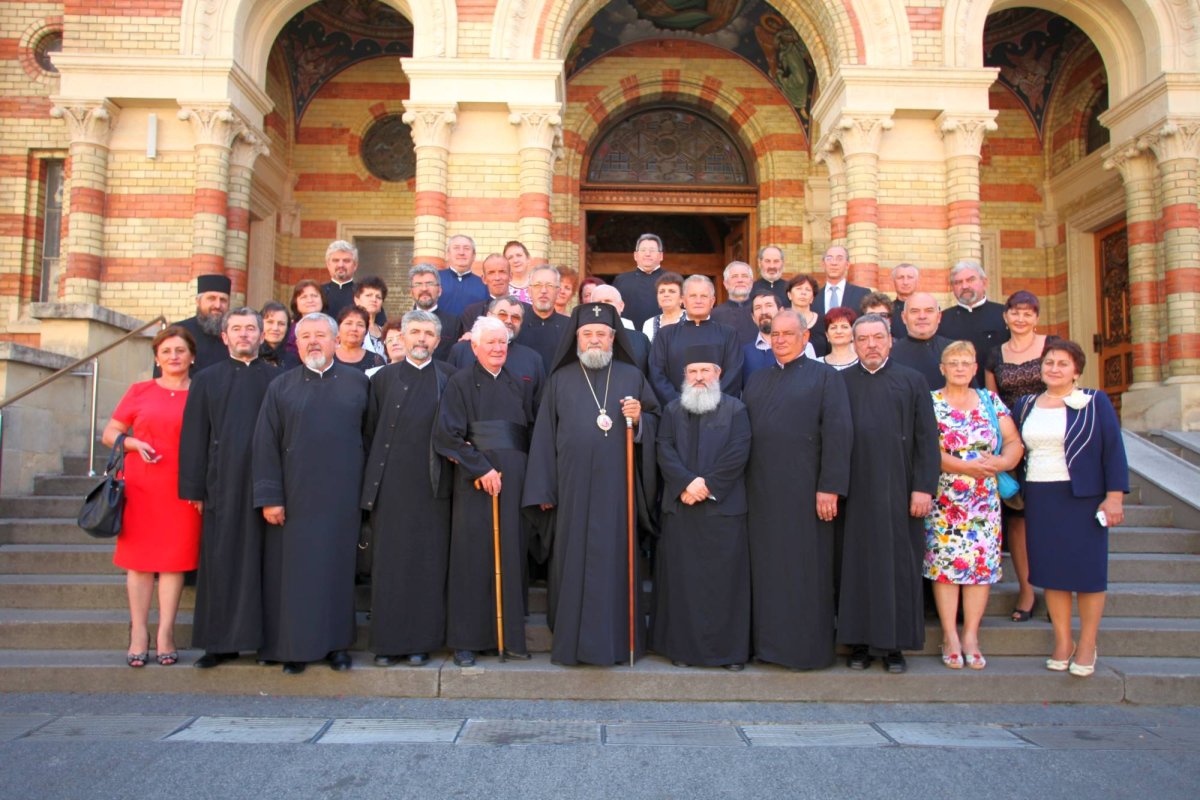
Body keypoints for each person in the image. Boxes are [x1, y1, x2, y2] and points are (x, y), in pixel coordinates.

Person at [522, 302, 660, 666]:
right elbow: (543, 437)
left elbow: (657, 422)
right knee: (571, 560)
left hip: (618, 488)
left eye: (602, 334)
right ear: (577, 339)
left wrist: (640, 420)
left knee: (614, 560)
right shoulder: (559, 379)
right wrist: (544, 489)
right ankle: (572, 643)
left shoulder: (632, 376)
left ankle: (617, 643)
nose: (595, 340)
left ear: (613, 338)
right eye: (588, 334)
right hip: (571, 488)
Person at [252, 312, 368, 674]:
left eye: (321, 335)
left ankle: (337, 646)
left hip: (343, 498)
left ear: (336, 341)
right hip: (295, 497)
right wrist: (270, 497)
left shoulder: (359, 383)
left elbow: (371, 438)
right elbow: (265, 444)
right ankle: (296, 648)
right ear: (297, 344)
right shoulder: (281, 387)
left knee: (337, 574)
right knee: (297, 577)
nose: (314, 342)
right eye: (306, 337)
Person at [742, 309, 852, 670]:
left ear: (805, 338)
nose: (780, 340)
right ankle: (768, 647)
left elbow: (838, 433)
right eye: (775, 334)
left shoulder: (826, 377)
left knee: (806, 571)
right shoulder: (756, 380)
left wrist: (830, 487)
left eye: (788, 334)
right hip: (762, 493)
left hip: (808, 494)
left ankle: (804, 652)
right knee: (768, 571)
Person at [1013, 340, 1128, 678]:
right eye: (1049, 362)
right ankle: (1063, 641)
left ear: (1076, 371)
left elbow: (1113, 450)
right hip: (1040, 496)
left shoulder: (1094, 402)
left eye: (1063, 363)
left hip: (1083, 498)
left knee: (1088, 575)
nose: (1054, 368)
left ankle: (1088, 643)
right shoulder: (1025, 404)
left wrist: (1115, 496)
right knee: (1053, 573)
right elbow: (1015, 447)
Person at [838, 313, 940, 673]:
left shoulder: (912, 381)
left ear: (890, 341)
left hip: (900, 489)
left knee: (898, 568)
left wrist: (923, 488)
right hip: (855, 491)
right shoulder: (840, 383)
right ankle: (859, 643)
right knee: (856, 566)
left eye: (877, 338)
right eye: (863, 339)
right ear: (854, 344)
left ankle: (894, 646)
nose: (871, 345)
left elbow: (927, 440)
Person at [179, 308, 279, 669]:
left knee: (266, 563)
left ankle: (267, 643)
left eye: (250, 329)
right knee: (222, 560)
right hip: (222, 483)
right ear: (224, 337)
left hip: (268, 483)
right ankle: (220, 644)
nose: (243, 334)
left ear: (261, 336)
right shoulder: (206, 379)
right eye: (236, 329)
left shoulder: (278, 378)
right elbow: (194, 435)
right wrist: (194, 488)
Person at [435, 316, 537, 666]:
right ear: (475, 347)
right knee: (472, 557)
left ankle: (506, 637)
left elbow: (528, 432)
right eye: (490, 342)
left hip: (514, 481)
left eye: (502, 342)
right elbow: (446, 436)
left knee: (510, 554)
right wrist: (481, 468)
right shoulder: (460, 382)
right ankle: (467, 640)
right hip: (475, 482)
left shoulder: (518, 384)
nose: (497, 348)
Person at [101, 326, 201, 667]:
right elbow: (110, 432)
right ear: (157, 358)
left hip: (182, 488)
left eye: (180, 350)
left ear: (192, 356)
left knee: (174, 563)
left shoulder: (201, 392)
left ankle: (166, 634)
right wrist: (132, 442)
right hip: (142, 485)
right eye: (166, 351)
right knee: (140, 564)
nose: (174, 356)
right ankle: (139, 634)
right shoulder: (140, 391)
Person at [362, 310, 455, 666]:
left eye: (428, 334)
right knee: (390, 566)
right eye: (415, 332)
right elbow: (370, 431)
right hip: (390, 486)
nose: (421, 339)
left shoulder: (449, 377)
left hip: (433, 486)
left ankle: (421, 643)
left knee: (427, 565)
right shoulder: (382, 379)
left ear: (437, 340)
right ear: (401, 337)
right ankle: (387, 644)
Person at [652, 345, 752, 670]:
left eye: (705, 371)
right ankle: (683, 650)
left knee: (725, 585)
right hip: (682, 509)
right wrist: (685, 483)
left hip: (723, 511)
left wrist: (706, 486)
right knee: (684, 584)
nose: (699, 377)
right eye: (692, 371)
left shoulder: (736, 409)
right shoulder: (671, 410)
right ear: (684, 376)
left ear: (718, 374)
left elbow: (739, 451)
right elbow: (664, 449)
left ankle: (729, 654)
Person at [925, 341, 1023, 671]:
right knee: (946, 568)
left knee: (980, 568)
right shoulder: (931, 402)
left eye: (965, 362)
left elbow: (1014, 441)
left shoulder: (990, 401)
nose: (959, 368)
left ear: (975, 368)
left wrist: (1000, 463)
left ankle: (971, 636)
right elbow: (926, 449)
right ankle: (950, 635)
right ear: (942, 368)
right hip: (944, 497)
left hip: (983, 499)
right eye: (953, 362)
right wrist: (965, 467)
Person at [985, 290, 1051, 622]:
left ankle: (1055, 589)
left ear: (1036, 318)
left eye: (1027, 313)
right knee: (1018, 519)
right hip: (1012, 443)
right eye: (1015, 312)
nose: (1021, 318)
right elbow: (992, 402)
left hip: (1049, 441)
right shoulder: (995, 353)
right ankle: (1026, 591)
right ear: (1006, 316)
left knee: (1052, 519)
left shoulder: (1052, 347)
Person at [649, 275, 742, 404]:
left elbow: (733, 373)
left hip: (719, 408)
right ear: (683, 300)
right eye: (693, 296)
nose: (698, 301)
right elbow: (656, 373)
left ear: (712, 301)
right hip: (676, 409)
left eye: (704, 296)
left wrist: (714, 402)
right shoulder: (665, 334)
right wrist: (679, 403)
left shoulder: (728, 334)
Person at [448, 296, 545, 399]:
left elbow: (539, 404)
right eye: (502, 315)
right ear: (489, 316)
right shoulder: (461, 351)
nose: (509, 321)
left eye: (515, 317)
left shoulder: (533, 360)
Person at [937, 260, 1010, 375]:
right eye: (958, 282)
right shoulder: (941, 319)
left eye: (970, 280)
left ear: (984, 283)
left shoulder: (1005, 315)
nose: (965, 286)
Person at [165, 274, 230, 374]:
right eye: (211, 298)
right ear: (198, 301)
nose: (217, 305)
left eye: (223, 300)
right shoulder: (178, 330)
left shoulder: (234, 333)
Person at [890, 292, 954, 391]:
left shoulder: (955, 350)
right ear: (904, 317)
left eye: (929, 311)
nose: (922, 316)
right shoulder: (890, 355)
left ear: (939, 317)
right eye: (914, 311)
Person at [515, 265, 570, 372]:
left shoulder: (568, 327)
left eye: (549, 285)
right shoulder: (516, 324)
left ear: (558, 292)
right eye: (537, 285)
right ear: (529, 291)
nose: (543, 290)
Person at [591, 284, 651, 373]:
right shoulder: (584, 340)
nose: (603, 305)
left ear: (621, 306)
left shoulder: (641, 340)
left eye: (608, 301)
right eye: (598, 302)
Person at [408, 263, 461, 362]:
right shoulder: (402, 323)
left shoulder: (454, 323)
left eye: (429, 283)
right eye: (418, 284)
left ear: (439, 290)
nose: (424, 288)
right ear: (411, 292)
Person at [322, 240, 383, 324]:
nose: (340, 265)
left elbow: (379, 325)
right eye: (336, 260)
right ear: (328, 264)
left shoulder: (366, 294)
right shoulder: (318, 293)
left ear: (355, 265)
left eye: (346, 261)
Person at [613, 233, 665, 329]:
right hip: (629, 335)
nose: (647, 254)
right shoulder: (621, 280)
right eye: (643, 250)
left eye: (652, 250)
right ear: (635, 255)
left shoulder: (671, 280)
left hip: (664, 334)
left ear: (661, 255)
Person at [460, 253, 520, 333]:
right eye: (491, 273)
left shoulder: (526, 311)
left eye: (502, 272)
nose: (497, 278)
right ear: (484, 279)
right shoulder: (472, 313)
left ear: (510, 276)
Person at [439, 234, 489, 317]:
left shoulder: (484, 285)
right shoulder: (435, 279)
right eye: (456, 248)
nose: (461, 253)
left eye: (466, 248)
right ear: (448, 254)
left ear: (474, 255)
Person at [710, 261, 758, 346]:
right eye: (734, 276)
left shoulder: (760, 311)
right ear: (726, 284)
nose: (740, 280)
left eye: (744, 276)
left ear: (751, 282)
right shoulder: (714, 315)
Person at [812, 245, 868, 317]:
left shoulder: (862, 294)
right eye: (829, 258)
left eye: (839, 259)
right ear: (823, 264)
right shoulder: (814, 296)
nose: (834, 263)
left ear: (847, 265)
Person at [334, 305, 386, 373]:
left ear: (366, 332)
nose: (354, 329)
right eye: (348, 323)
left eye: (360, 325)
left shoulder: (376, 360)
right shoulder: (327, 357)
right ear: (338, 328)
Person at [285, 279, 326, 362]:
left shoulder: (332, 327)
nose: (310, 300)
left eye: (314, 296)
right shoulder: (288, 331)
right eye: (304, 297)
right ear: (296, 302)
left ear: (322, 299)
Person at [787, 274, 826, 356]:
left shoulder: (824, 322)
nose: (803, 293)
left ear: (812, 298)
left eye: (808, 290)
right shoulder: (781, 321)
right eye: (799, 289)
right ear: (789, 295)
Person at [641, 271, 685, 343]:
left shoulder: (692, 319)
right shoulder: (649, 323)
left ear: (681, 298)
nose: (666, 295)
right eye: (662, 292)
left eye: (672, 291)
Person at [353, 276, 388, 357]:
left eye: (378, 297)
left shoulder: (385, 332)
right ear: (357, 300)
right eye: (368, 295)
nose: (374, 300)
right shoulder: (350, 328)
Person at [258, 300, 298, 369]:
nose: (275, 328)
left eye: (281, 324)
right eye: (270, 322)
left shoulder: (294, 361)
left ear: (287, 328)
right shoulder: (250, 357)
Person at [890, 263, 920, 338]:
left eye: (910, 277)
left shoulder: (929, 309)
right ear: (893, 281)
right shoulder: (887, 311)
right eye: (900, 278)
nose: (905, 282)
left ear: (917, 281)